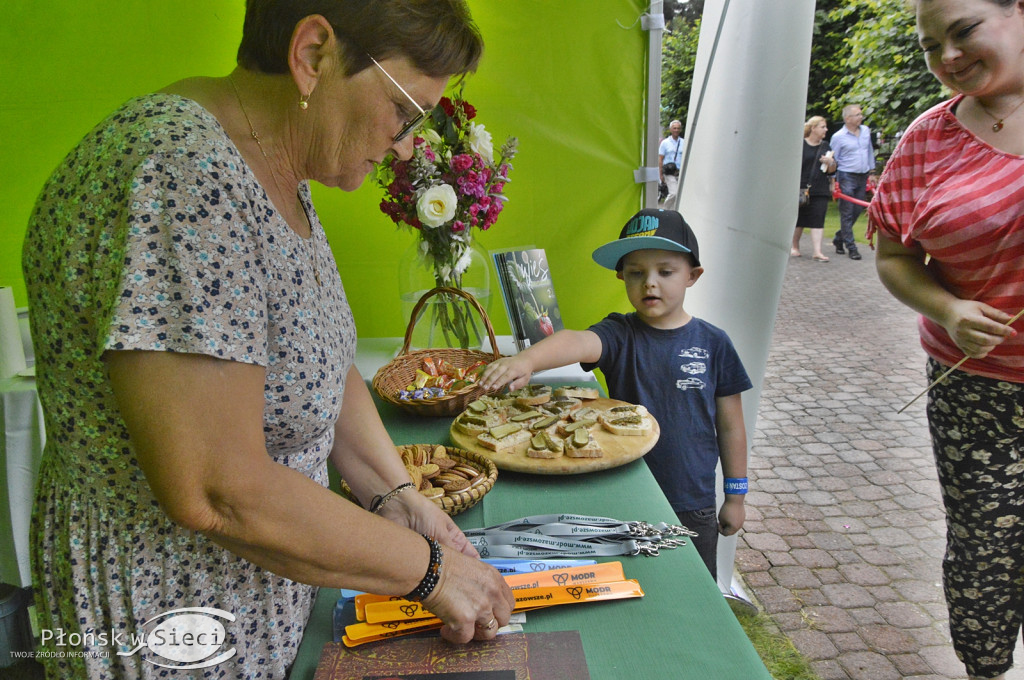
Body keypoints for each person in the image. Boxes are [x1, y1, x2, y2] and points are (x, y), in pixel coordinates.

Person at [20, 2, 515, 677]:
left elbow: (320, 366)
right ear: (314, 55)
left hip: (256, 614)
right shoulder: (179, 174)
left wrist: (396, 496)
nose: (406, 146)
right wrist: (428, 572)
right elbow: (216, 487)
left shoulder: (270, 165)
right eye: (405, 113)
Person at [868, 1, 1024, 678]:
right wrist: (951, 308)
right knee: (985, 557)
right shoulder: (925, 139)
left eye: (963, 32)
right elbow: (893, 257)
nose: (949, 58)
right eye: (933, 47)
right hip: (977, 395)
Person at [479, 209, 752, 581]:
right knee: (632, 582)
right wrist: (528, 360)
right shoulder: (619, 333)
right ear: (621, 276)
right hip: (625, 494)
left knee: (694, 585)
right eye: (636, 273)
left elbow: (732, 426)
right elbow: (576, 340)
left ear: (693, 275)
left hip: (692, 503)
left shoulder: (714, 343)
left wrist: (735, 496)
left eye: (665, 271)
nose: (649, 284)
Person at [829, 104, 877, 260]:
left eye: (861, 114)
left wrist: (872, 172)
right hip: (846, 175)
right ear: (847, 118)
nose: (861, 117)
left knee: (857, 209)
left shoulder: (865, 131)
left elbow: (869, 151)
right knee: (847, 212)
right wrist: (832, 181)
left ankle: (839, 238)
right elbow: (832, 160)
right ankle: (852, 247)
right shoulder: (838, 137)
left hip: (862, 175)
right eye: (857, 115)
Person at [792, 116, 837, 261]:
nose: (826, 129)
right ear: (813, 128)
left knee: (818, 218)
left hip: (819, 188)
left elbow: (831, 171)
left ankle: (817, 251)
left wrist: (831, 163)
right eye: (823, 127)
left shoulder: (826, 146)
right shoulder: (800, 144)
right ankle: (794, 246)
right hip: (801, 187)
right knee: (799, 219)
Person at [659, 120, 685, 209]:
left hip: (680, 171)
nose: (676, 130)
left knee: (680, 194)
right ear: (670, 129)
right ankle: (665, 210)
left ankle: (675, 212)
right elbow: (660, 159)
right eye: (674, 128)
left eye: (678, 128)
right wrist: (660, 174)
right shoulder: (665, 143)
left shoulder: (683, 142)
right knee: (674, 193)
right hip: (669, 172)